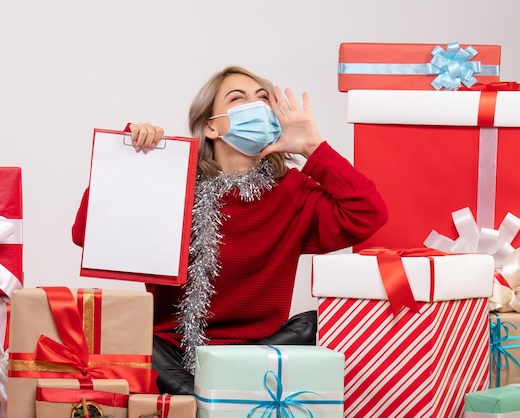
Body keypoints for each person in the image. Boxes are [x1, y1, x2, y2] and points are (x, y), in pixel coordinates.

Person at [72, 65, 388, 394]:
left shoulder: (292, 191)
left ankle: (205, 398)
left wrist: (312, 148)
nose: (256, 106)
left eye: (263, 99)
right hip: (171, 353)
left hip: (257, 353)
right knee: (121, 333)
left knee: (322, 323)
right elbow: (87, 233)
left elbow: (368, 213)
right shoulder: (172, 182)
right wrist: (134, 159)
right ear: (211, 127)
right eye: (238, 98)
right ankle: (210, 398)